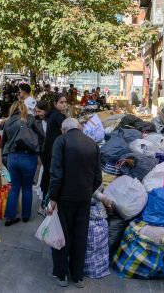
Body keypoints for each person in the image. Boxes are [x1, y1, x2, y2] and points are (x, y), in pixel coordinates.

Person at [47, 118, 102, 288]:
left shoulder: (60, 141)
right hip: (84, 199)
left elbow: (56, 172)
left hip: (64, 198)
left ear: (64, 130)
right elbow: (98, 177)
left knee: (61, 235)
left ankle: (62, 274)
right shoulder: (93, 144)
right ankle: (78, 276)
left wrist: (53, 198)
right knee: (80, 236)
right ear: (79, 127)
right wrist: (87, 191)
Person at [0, 100, 45, 226]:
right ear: (24, 108)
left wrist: (5, 158)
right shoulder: (30, 119)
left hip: (12, 157)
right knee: (27, 188)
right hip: (28, 157)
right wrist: (38, 149)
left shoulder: (8, 122)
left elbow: (4, 142)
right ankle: (26, 216)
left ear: (12, 109)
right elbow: (42, 135)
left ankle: (10, 217)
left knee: (14, 188)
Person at [39, 94, 68, 208]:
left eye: (65, 102)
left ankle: (44, 201)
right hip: (52, 152)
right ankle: (48, 203)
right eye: (61, 102)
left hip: (48, 150)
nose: (64, 104)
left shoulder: (54, 114)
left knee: (47, 175)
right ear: (55, 104)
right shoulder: (59, 117)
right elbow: (66, 133)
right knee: (52, 177)